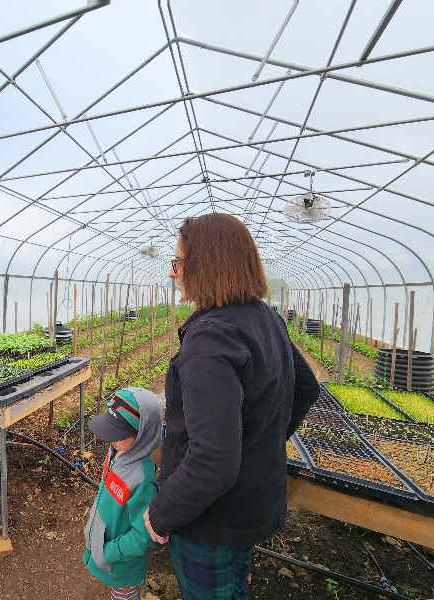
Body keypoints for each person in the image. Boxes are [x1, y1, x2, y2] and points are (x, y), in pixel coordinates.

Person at [142, 214, 319, 599]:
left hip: (211, 520)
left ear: (205, 264)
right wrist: (258, 443)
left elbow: (213, 460)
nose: (173, 273)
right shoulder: (264, 317)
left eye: (177, 262)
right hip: (252, 506)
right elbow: (306, 388)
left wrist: (159, 515)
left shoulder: (210, 338)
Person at [84, 388, 162, 600]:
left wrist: (108, 553)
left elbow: (144, 535)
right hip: (104, 551)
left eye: (118, 434)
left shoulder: (143, 480)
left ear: (143, 435)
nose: (111, 439)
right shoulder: (116, 454)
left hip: (121, 566)